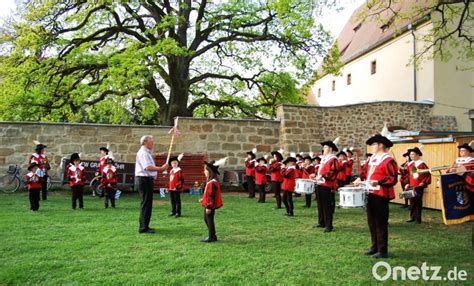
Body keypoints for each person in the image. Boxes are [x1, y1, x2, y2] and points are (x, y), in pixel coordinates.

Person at [356, 134, 398, 259]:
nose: (372, 147)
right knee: (371, 223)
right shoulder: (372, 159)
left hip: (380, 195)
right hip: (370, 193)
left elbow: (393, 178)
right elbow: (366, 174)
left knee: (380, 223)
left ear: (381, 145)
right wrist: (360, 179)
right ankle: (374, 247)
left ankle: (382, 250)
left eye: (374, 144)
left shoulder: (388, 160)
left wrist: (379, 182)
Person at [135, 135, 168, 234]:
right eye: (151, 141)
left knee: (147, 203)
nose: (153, 143)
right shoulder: (143, 153)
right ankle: (143, 227)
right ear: (145, 142)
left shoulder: (145, 152)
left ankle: (145, 225)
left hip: (145, 180)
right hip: (143, 180)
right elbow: (148, 167)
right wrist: (161, 169)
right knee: (146, 203)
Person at [314, 140, 339, 232]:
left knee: (326, 206)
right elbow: (321, 170)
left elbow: (333, 172)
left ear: (330, 148)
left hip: (327, 185)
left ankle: (329, 225)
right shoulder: (324, 159)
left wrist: (323, 176)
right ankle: (321, 222)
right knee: (320, 204)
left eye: (325, 147)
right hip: (320, 183)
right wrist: (316, 175)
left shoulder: (333, 159)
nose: (323, 149)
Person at [200, 158, 225, 243]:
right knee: (206, 219)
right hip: (208, 204)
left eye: (205, 170)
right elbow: (207, 193)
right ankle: (212, 235)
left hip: (210, 205)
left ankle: (212, 236)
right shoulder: (209, 181)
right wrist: (203, 199)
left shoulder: (212, 183)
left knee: (209, 219)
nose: (204, 172)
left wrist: (209, 206)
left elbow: (211, 196)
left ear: (210, 171)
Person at [405, 147, 431, 224]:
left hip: (418, 186)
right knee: (412, 201)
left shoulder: (422, 164)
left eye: (413, 154)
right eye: (410, 154)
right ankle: (412, 217)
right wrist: (407, 183)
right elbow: (408, 175)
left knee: (418, 202)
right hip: (411, 185)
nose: (411, 156)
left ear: (417, 155)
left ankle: (418, 218)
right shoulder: (410, 164)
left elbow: (428, 174)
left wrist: (423, 182)